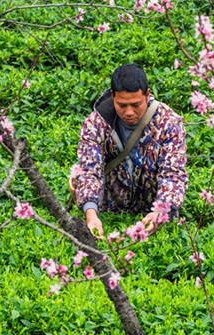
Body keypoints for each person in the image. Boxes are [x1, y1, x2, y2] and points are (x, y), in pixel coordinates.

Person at [73, 64, 188, 239]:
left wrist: (162, 210)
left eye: (136, 104)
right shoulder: (95, 124)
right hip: (108, 209)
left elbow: (173, 174)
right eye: (122, 105)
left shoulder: (169, 123)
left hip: (153, 208)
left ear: (147, 95)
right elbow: (89, 170)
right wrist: (91, 214)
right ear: (112, 95)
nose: (129, 112)